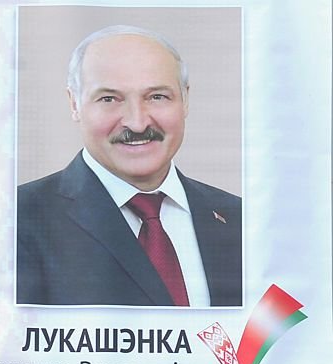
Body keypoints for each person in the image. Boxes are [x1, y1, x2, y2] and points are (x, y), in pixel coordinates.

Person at [16, 25, 242, 307]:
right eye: (109, 99)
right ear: (74, 104)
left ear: (185, 99)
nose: (137, 123)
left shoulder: (242, 221)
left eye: (157, 96)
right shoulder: (15, 222)